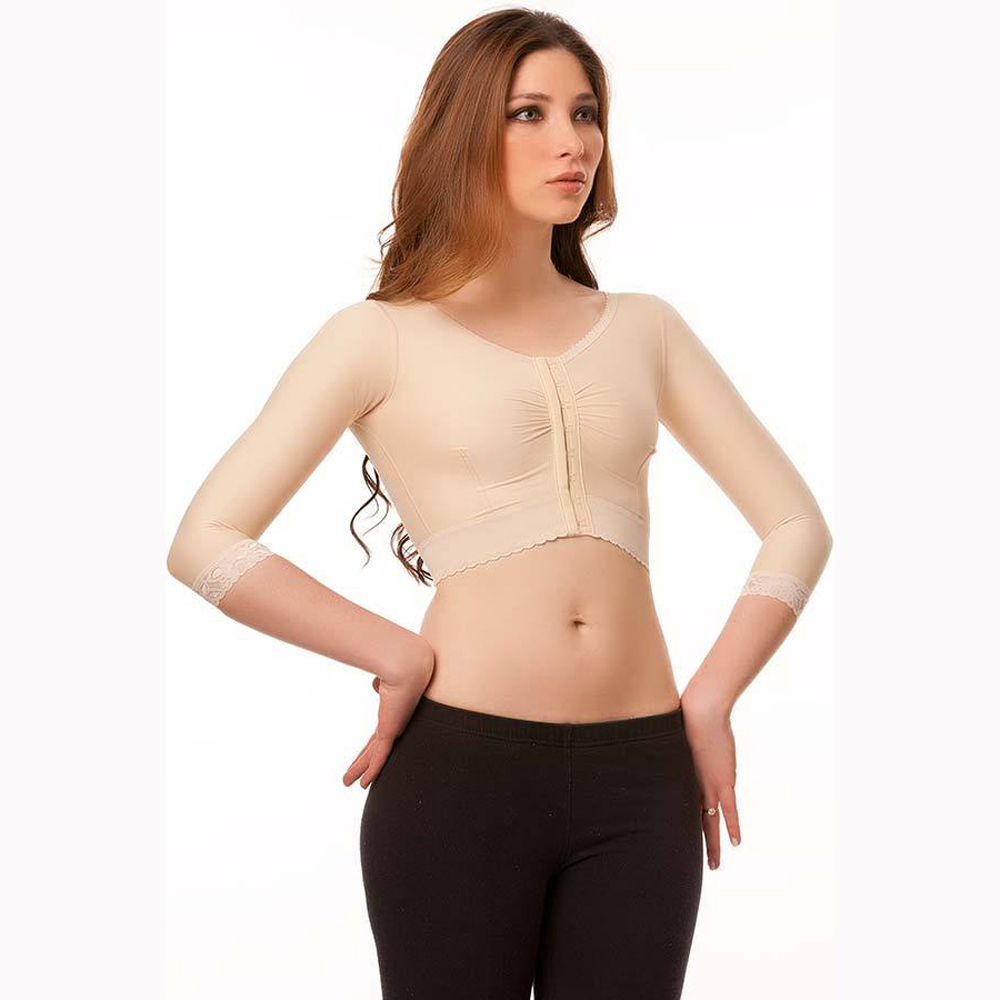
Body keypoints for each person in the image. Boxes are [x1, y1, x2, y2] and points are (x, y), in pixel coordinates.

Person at [166, 9, 832, 999]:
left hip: (642, 782)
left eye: (585, 112)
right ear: (464, 129)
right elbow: (204, 540)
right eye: (530, 113)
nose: (573, 142)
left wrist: (711, 696)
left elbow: (795, 521)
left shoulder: (645, 329)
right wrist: (393, 652)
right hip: (459, 774)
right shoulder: (377, 337)